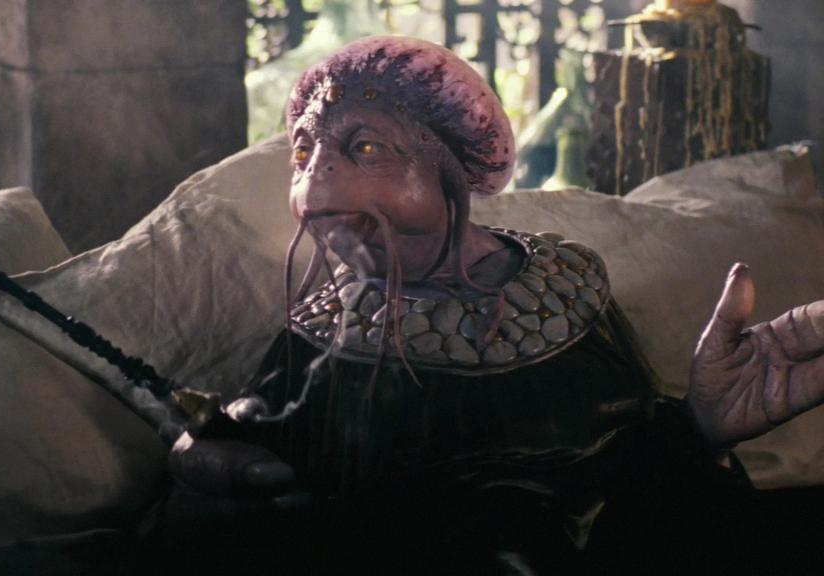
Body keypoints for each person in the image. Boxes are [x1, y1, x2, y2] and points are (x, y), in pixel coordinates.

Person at [157, 37, 824, 574]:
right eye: (304, 152)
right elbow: (257, 468)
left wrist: (701, 429)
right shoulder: (320, 331)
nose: (315, 173)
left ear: (453, 168)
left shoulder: (562, 292)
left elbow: (635, 470)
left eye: (366, 147)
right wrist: (205, 455)